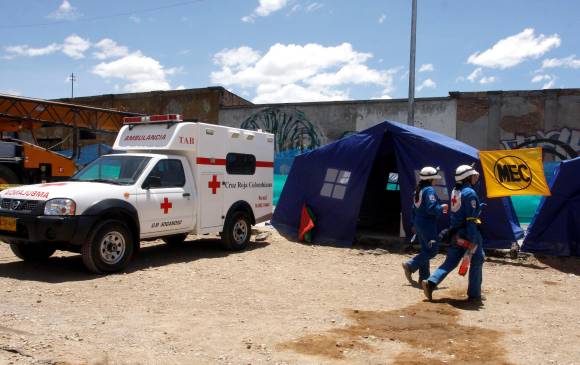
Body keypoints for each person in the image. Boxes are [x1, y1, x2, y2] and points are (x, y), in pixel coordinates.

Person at [422, 164, 485, 302]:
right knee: (477, 259)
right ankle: (474, 295)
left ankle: (431, 282)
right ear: (467, 177)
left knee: (451, 261)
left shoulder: (456, 191)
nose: (476, 177)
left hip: (455, 233)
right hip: (468, 232)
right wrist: (473, 238)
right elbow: (471, 218)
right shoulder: (470, 193)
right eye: (473, 175)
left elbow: (466, 205)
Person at [402, 166, 448, 285]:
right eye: (434, 178)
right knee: (432, 250)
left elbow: (413, 209)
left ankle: (424, 277)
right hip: (427, 224)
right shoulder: (429, 190)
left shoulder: (418, 190)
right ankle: (410, 265)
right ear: (430, 179)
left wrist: (413, 224)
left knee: (425, 249)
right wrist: (441, 207)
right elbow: (431, 208)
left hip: (419, 222)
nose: (436, 180)